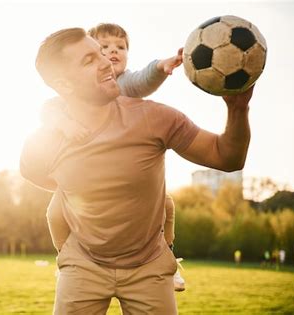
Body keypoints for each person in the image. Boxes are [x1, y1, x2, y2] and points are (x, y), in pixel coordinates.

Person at [21, 27, 253, 314]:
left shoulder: (155, 118)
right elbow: (30, 171)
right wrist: (74, 188)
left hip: (149, 268)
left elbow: (227, 157)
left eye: (101, 53)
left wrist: (239, 109)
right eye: (89, 60)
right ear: (63, 84)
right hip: (82, 266)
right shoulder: (46, 139)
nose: (106, 62)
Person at [42, 23, 186, 291]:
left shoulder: (124, 85)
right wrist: (65, 125)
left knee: (165, 204)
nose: (113, 52)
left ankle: (169, 257)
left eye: (120, 47)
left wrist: (162, 67)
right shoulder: (76, 91)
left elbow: (144, 78)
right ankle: (66, 262)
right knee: (54, 213)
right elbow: (48, 109)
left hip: (129, 179)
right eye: (104, 47)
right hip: (84, 179)